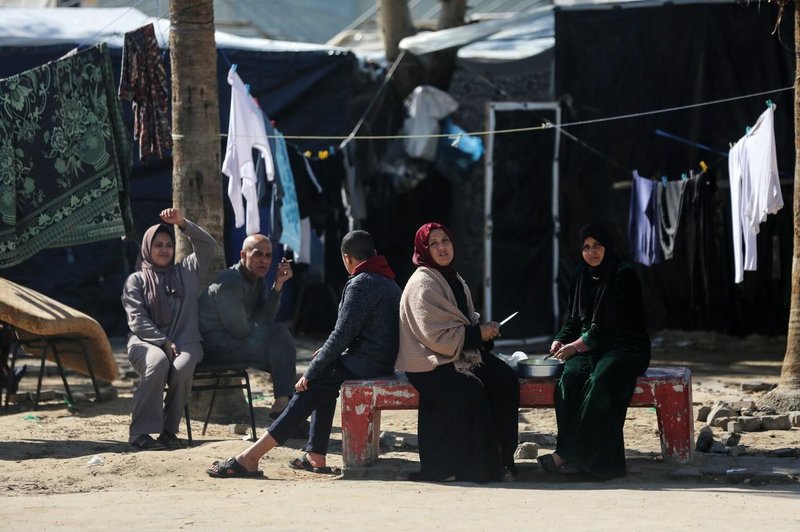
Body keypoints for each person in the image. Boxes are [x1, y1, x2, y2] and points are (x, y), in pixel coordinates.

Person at [207, 230, 401, 478]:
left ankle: (250, 457)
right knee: (324, 380)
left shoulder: (361, 283)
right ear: (372, 254)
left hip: (367, 363)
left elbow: (341, 335)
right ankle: (315, 456)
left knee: (309, 386)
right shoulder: (387, 281)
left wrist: (310, 372)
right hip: (379, 361)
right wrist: (324, 360)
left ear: (346, 258)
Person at [395, 222, 520, 483]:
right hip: (429, 361)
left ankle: (503, 458)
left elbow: (465, 322)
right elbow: (435, 337)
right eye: (434, 243)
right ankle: (479, 468)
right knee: (470, 390)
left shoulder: (454, 278)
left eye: (446, 241)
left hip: (459, 354)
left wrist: (485, 333)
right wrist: (478, 334)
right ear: (423, 249)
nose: (442, 247)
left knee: (504, 379)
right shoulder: (423, 283)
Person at [539, 222, 650, 479]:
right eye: (586, 247)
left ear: (607, 247)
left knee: (601, 381)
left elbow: (612, 327)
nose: (591, 252)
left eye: (596, 246)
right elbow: (574, 320)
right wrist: (560, 340)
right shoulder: (581, 275)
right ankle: (569, 454)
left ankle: (585, 460)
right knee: (570, 377)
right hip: (591, 347)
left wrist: (576, 346)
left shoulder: (624, 274)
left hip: (626, 347)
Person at [121, 207, 216, 450]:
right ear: (147, 248)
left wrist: (183, 223)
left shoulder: (186, 272)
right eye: (158, 245)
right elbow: (137, 319)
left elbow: (208, 245)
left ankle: (168, 431)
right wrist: (162, 341)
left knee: (182, 367)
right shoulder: (136, 280)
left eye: (168, 245)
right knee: (158, 362)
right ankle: (140, 433)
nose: (164, 250)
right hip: (145, 342)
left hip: (186, 341)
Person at [198, 234, 297, 420]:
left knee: (281, 347)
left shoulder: (257, 280)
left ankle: (284, 405)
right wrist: (265, 333)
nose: (264, 260)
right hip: (214, 348)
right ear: (243, 255)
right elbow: (241, 330)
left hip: (236, 342)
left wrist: (278, 286)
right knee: (280, 341)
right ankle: (285, 406)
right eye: (258, 254)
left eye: (268, 255)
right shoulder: (230, 282)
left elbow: (264, 320)